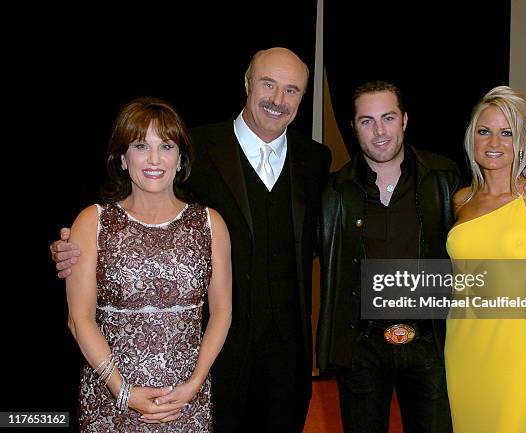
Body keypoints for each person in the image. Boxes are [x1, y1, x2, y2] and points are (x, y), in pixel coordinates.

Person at [53, 47, 331, 433]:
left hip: (287, 360)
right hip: (210, 361)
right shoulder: (193, 148)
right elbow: (128, 218)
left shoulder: (316, 160)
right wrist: (71, 247)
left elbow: (325, 240)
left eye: (292, 90)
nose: (278, 99)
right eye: (268, 84)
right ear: (248, 83)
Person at [317, 80, 526, 433]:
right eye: (367, 121)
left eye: (388, 117)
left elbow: (493, 189)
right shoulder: (333, 191)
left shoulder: (444, 178)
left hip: (432, 343)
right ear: (353, 127)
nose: (379, 130)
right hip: (362, 346)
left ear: (405, 120)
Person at [65, 97, 232, 431]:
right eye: (141, 146)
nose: (154, 159)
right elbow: (78, 319)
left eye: (166, 146)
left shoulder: (210, 224)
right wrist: (123, 392)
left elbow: (222, 312)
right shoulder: (92, 221)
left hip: (186, 402)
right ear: (123, 159)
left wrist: (194, 386)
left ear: (181, 158)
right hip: (110, 403)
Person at [445, 85, 526, 432]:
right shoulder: (460, 201)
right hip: (462, 350)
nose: (494, 142)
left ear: (520, 141)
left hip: (521, 355)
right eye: (484, 131)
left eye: (507, 133)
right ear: (472, 139)